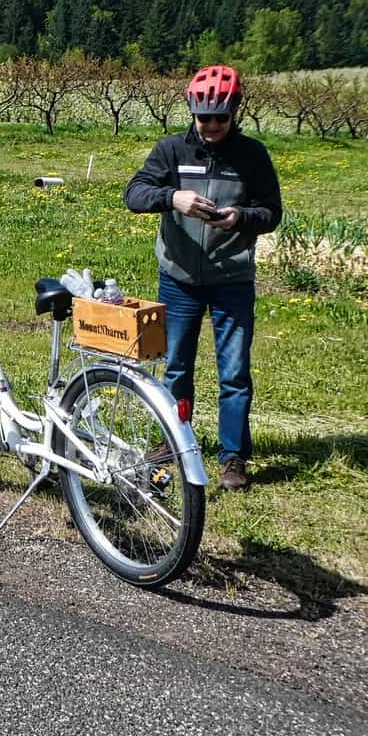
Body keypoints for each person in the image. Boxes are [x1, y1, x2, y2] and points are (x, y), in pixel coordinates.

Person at [124, 65, 282, 491]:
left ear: (235, 113)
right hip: (178, 279)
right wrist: (172, 197)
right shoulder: (172, 151)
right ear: (192, 112)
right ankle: (174, 441)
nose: (211, 126)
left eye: (220, 118)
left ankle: (232, 457)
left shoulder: (252, 156)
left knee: (234, 372)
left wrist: (241, 217)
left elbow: (271, 213)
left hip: (232, 279)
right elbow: (134, 194)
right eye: (203, 118)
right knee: (175, 368)